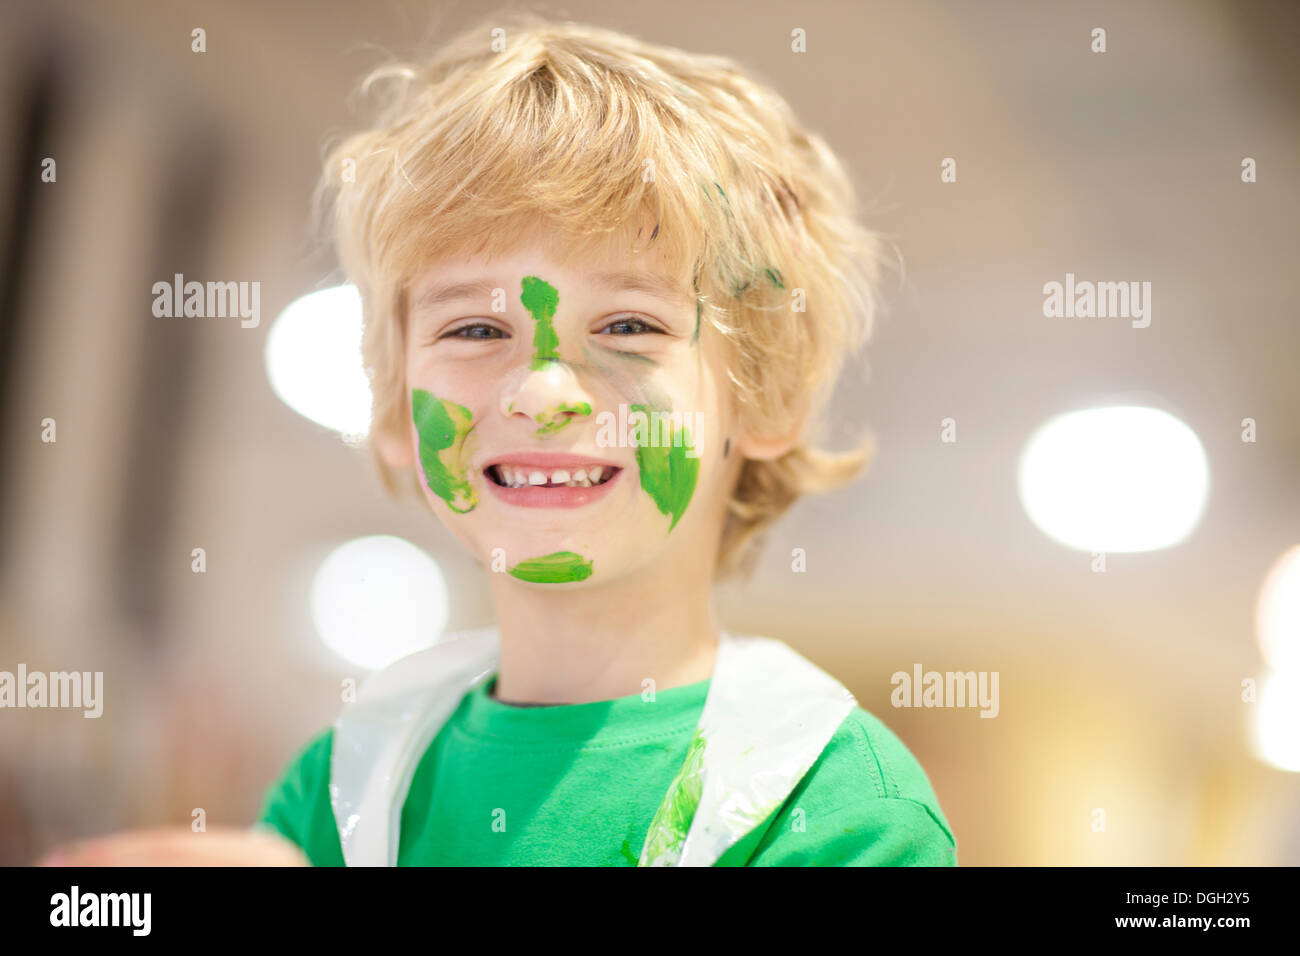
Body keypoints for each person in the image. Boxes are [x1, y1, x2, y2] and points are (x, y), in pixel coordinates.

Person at [42, 14, 956, 867]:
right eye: (475, 331)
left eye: (631, 326)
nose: (544, 392)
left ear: (766, 398)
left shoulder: (831, 804)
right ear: (397, 412)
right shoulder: (350, 784)